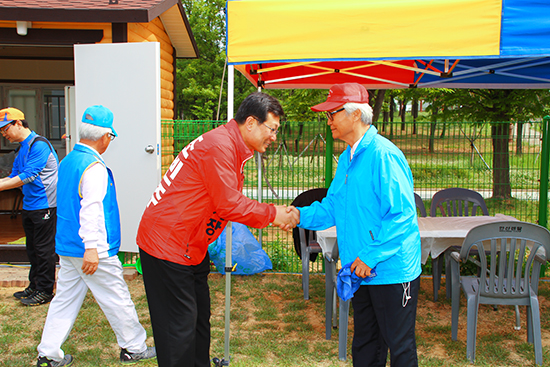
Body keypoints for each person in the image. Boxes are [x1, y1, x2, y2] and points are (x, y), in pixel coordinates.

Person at [136, 92, 299, 367]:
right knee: (178, 331)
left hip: (192, 247)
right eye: (271, 129)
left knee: (198, 320)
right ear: (250, 122)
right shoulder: (220, 146)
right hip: (168, 246)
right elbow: (229, 204)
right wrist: (274, 214)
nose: (273, 137)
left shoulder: (231, 145)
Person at [296, 83, 421, 366]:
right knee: (366, 345)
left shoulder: (384, 155)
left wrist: (370, 256)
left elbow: (401, 216)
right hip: (359, 268)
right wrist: (295, 216)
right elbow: (332, 207)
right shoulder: (346, 158)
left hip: (390, 271)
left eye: (332, 114)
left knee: (399, 347)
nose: (328, 121)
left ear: (355, 115)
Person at [35, 105, 156, 367]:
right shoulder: (94, 167)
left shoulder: (67, 162)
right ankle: (134, 347)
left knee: (64, 300)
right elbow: (91, 210)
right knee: (117, 298)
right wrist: (91, 247)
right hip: (93, 250)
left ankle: (48, 353)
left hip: (67, 247)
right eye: (111, 137)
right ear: (105, 136)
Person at [0, 107, 58, 306]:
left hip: (45, 206)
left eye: (5, 129)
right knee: (32, 248)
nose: (3, 134)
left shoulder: (39, 145)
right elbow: (13, 175)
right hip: (30, 205)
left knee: (44, 249)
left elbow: (28, 176)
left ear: (18, 123)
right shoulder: (22, 147)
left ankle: (45, 290)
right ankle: (34, 285)